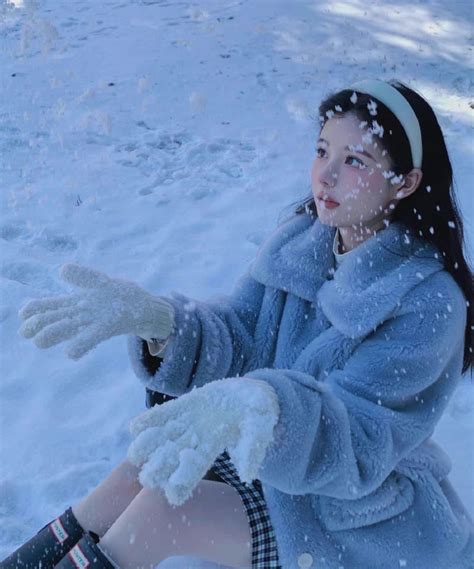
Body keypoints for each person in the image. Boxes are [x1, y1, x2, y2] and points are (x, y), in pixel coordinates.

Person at [2, 78, 473, 569]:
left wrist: (269, 406)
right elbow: (244, 336)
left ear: (407, 182)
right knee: (140, 468)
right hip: (271, 462)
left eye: (355, 160)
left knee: (162, 511)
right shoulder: (302, 242)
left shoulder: (426, 301)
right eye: (321, 150)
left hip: (349, 513)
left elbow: (358, 446)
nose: (325, 175)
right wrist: (165, 326)